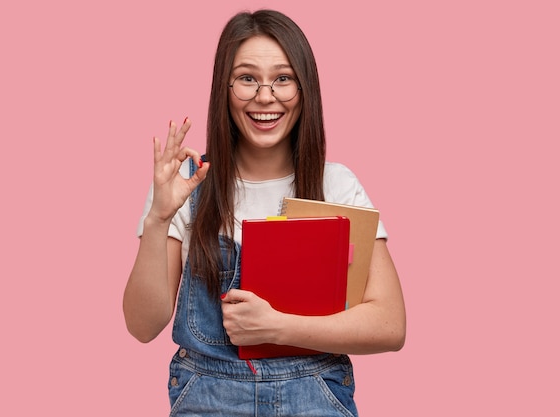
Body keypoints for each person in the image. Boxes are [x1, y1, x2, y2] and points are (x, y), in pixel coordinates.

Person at [123, 9, 406, 416]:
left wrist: (278, 327)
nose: (265, 96)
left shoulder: (337, 186)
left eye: (283, 78)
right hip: (208, 401)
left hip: (315, 398)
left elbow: (389, 325)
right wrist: (158, 219)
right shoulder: (185, 184)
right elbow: (142, 326)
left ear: (304, 88)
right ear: (225, 87)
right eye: (247, 78)